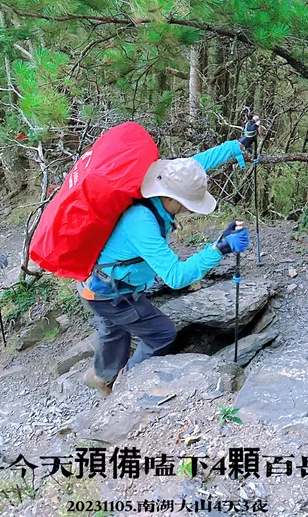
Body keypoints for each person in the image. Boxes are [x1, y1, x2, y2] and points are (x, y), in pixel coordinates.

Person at [81, 121, 258, 396]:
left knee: (115, 334)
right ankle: (125, 387)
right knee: (161, 333)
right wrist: (219, 249)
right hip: (112, 294)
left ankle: (101, 376)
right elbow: (175, 277)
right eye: (189, 205)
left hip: (102, 284)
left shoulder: (165, 179)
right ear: (174, 200)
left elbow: (199, 164)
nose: (189, 209)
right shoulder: (142, 223)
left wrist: (239, 145)